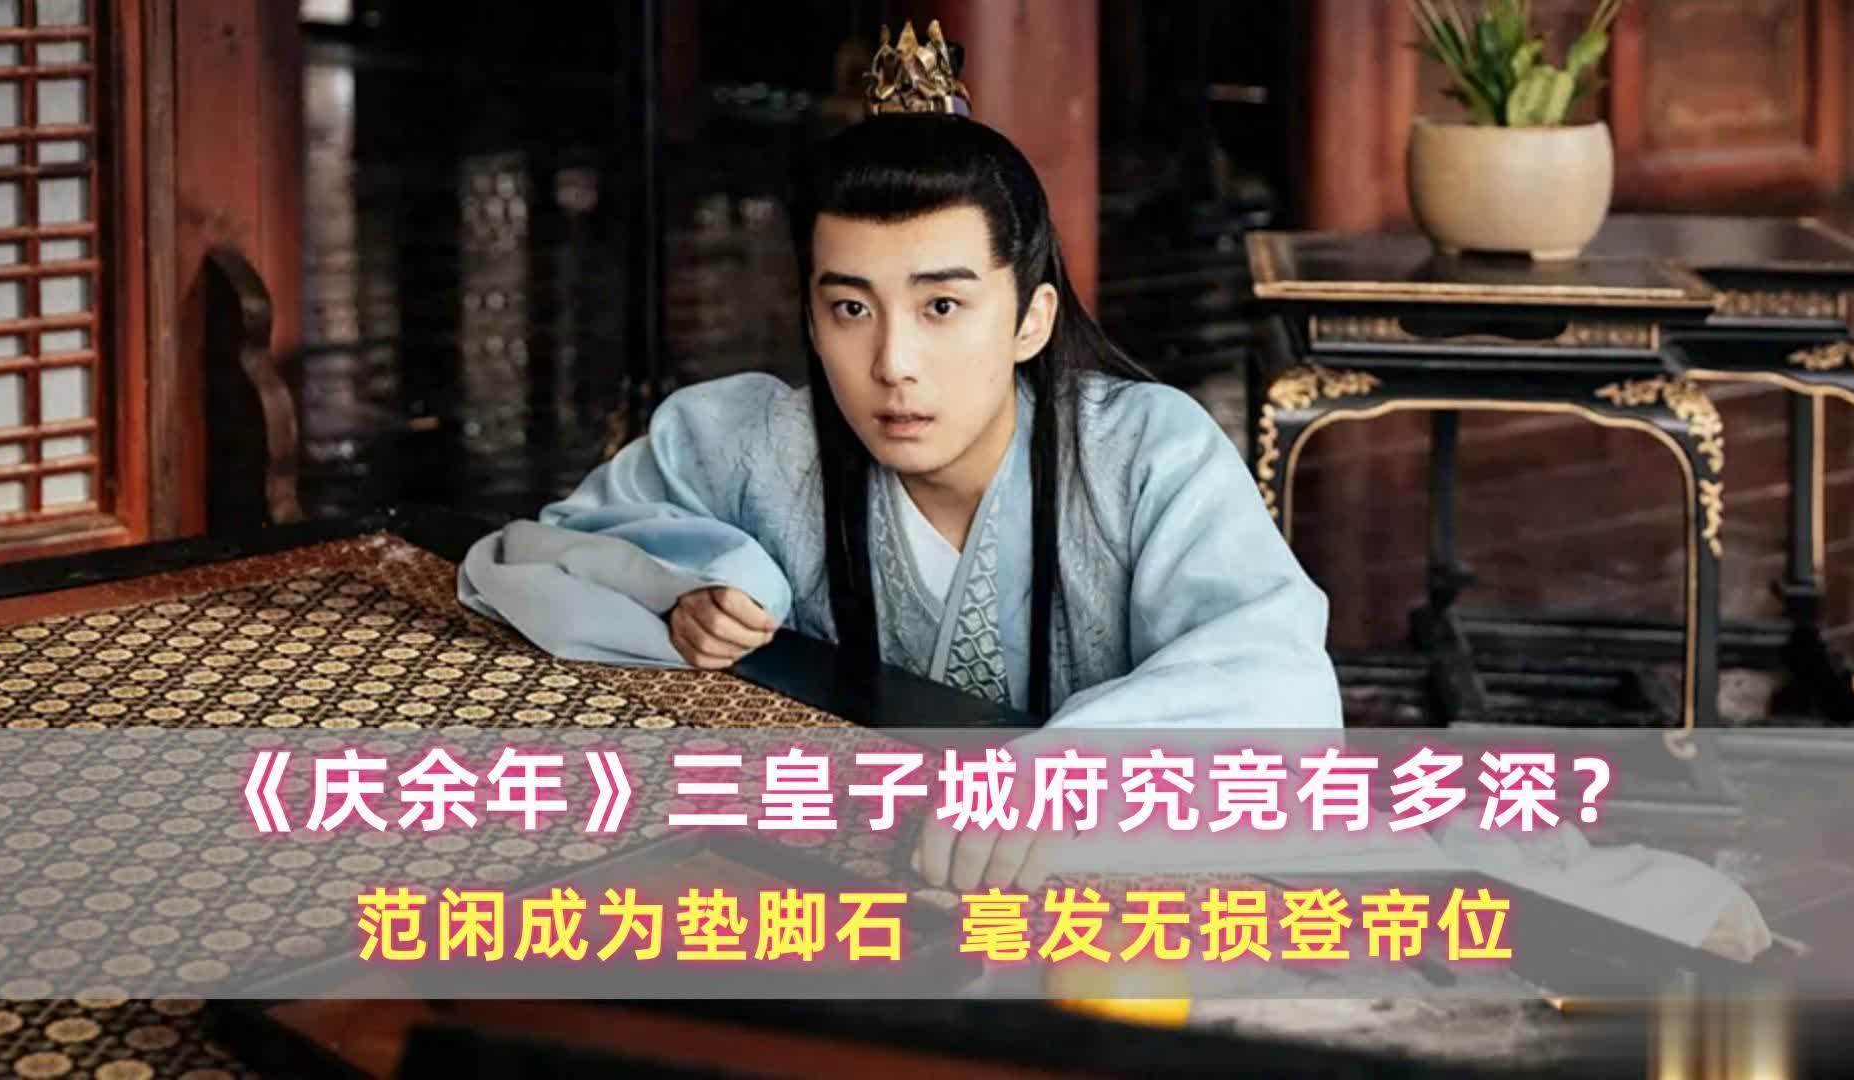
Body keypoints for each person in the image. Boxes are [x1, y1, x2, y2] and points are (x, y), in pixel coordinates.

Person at [458, 23, 1341, 889]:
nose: (893, 363)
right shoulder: (752, 443)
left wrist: (1058, 775)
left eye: (941, 307)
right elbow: (532, 555)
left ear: (1030, 319)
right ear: (811, 320)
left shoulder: (1145, 454)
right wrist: (693, 583)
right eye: (851, 309)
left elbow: (1279, 686)